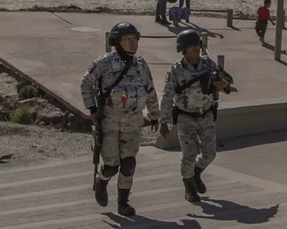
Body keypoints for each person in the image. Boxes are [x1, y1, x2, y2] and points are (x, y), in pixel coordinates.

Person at [81, 22, 159, 216]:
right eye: (128, 40)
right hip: (109, 123)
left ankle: (123, 202)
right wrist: (91, 108)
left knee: (129, 163)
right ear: (117, 42)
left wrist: (155, 116)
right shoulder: (104, 63)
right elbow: (85, 83)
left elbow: (150, 90)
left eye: (136, 40)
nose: (133, 44)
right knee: (112, 165)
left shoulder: (141, 64)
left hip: (133, 123)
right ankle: (102, 181)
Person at [160, 30, 229, 202]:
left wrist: (224, 85)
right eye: (192, 45)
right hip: (185, 117)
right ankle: (189, 186)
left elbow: (227, 83)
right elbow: (167, 96)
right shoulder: (176, 71)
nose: (196, 48)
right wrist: (164, 121)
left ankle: (196, 173)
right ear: (183, 48)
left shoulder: (209, 65)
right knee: (189, 154)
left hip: (205, 115)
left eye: (198, 44)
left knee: (210, 154)